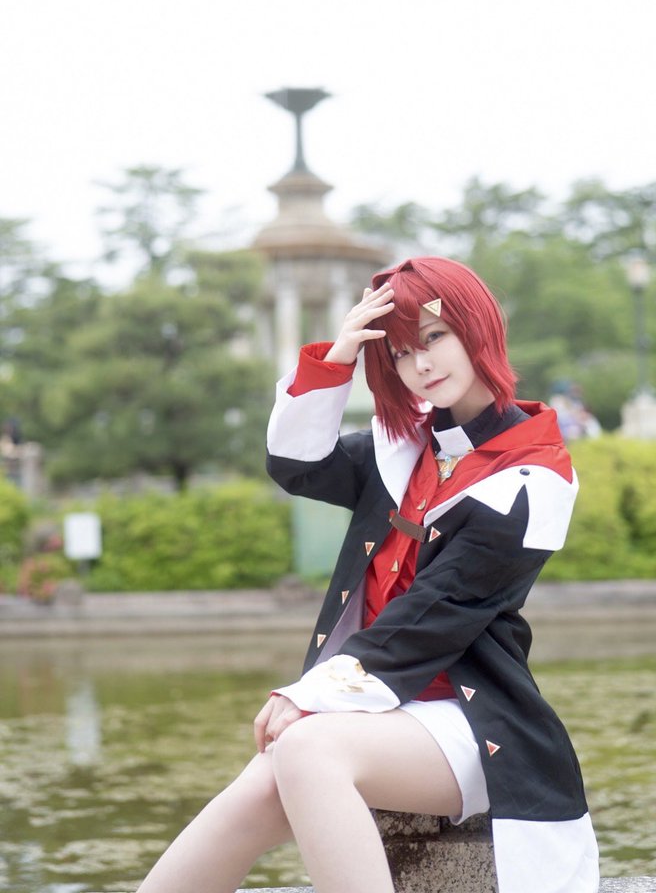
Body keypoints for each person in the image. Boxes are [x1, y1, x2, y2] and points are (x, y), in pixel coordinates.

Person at [137, 256, 599, 893]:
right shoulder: (404, 448)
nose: (422, 364)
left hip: (473, 720)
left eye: (434, 336)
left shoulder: (531, 476)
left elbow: (436, 614)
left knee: (305, 746)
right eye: (402, 352)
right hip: (377, 712)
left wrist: (311, 695)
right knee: (264, 782)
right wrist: (339, 358)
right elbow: (298, 465)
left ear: (477, 328)